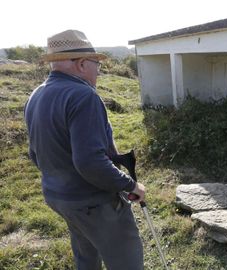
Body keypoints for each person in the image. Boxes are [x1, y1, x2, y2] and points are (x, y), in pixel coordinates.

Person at [24, 30, 145, 269]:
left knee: (86, 255)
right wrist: (131, 185)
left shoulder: (36, 95)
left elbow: (34, 153)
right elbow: (90, 162)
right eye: (96, 63)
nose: (98, 69)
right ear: (81, 64)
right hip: (94, 204)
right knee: (126, 260)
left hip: (60, 198)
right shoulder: (83, 96)